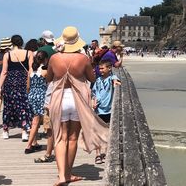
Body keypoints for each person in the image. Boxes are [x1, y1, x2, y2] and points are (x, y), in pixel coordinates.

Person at [47, 26, 108, 186]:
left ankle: (62, 175)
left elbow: (49, 78)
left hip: (60, 98)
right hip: (78, 100)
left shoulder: (54, 58)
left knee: (60, 137)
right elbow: (92, 78)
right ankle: (68, 173)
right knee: (73, 137)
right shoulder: (83, 58)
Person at [0, 35, 32, 141]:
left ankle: (5, 131)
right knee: (24, 107)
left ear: (12, 43)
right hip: (23, 83)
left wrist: (0, 87)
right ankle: (24, 132)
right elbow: (30, 70)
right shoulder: (28, 53)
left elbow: (4, 72)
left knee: (8, 107)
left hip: (10, 84)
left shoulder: (7, 55)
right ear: (22, 42)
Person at [91, 59, 120, 164]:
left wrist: (116, 82)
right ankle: (98, 154)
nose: (100, 70)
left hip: (109, 110)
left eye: (102, 68)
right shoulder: (98, 80)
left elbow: (115, 79)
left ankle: (105, 153)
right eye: (99, 69)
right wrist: (94, 102)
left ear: (109, 68)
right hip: (98, 110)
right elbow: (94, 93)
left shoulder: (111, 78)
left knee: (108, 133)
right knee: (97, 133)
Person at [25, 50, 49, 154]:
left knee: (33, 121)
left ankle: (34, 143)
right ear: (45, 59)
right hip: (41, 96)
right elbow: (49, 84)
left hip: (31, 95)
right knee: (36, 122)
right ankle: (28, 145)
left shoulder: (31, 70)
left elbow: (28, 86)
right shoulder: (45, 71)